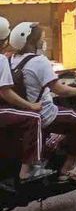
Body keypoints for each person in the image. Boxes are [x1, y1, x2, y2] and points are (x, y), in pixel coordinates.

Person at [9, 22, 76, 183]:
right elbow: (60, 90)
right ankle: (69, 166)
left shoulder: (11, 60)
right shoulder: (39, 61)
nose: (43, 41)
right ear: (32, 42)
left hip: (23, 113)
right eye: (40, 38)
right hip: (44, 113)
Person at [0, 16, 48, 183]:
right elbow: (5, 92)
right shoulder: (2, 60)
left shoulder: (9, 59)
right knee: (34, 118)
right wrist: (30, 105)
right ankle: (28, 169)